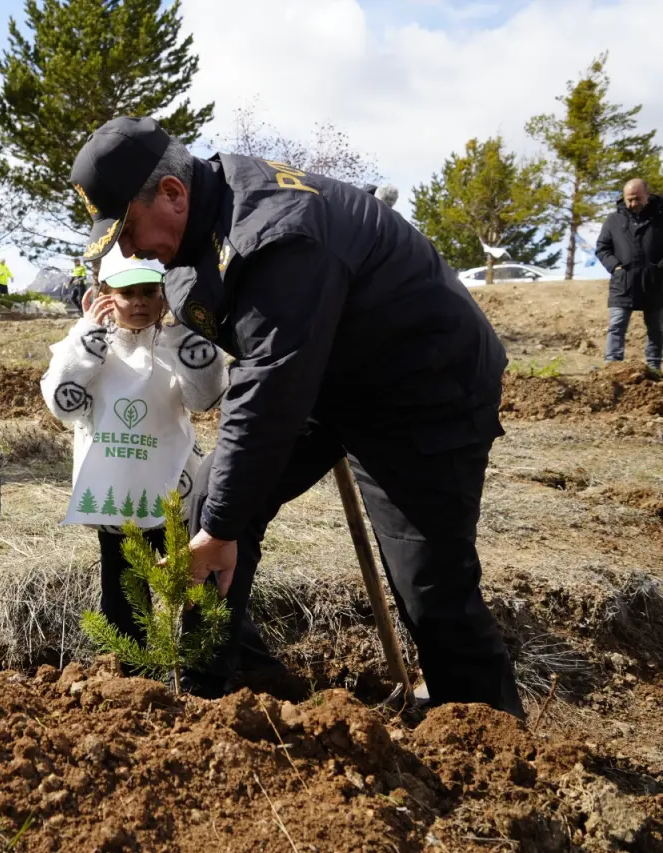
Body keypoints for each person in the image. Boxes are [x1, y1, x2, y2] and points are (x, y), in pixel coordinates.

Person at [70, 116, 523, 716]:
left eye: (126, 230)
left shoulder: (275, 236)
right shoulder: (207, 213)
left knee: (429, 584)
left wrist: (224, 525)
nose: (127, 251)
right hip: (326, 377)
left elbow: (270, 387)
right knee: (212, 506)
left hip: (423, 391)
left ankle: (486, 740)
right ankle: (216, 692)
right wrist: (223, 521)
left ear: (173, 194)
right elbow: (263, 371)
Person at [40, 247, 277, 683]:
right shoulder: (86, 343)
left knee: (199, 589)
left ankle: (207, 674)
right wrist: (89, 338)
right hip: (115, 502)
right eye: (126, 292)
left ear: (166, 294)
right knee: (123, 595)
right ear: (104, 293)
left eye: (150, 291)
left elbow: (205, 397)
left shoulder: (175, 342)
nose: (139, 302)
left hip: (175, 496)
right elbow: (62, 403)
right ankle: (131, 680)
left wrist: (183, 335)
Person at [596, 178, 663, 370]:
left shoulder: (661, 217)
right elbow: (602, 248)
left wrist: (660, 268)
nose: (633, 204)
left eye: (637, 199)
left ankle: (654, 367)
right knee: (616, 325)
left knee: (656, 329)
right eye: (629, 199)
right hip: (623, 282)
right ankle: (612, 366)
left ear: (647, 195)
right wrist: (615, 266)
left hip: (655, 282)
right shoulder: (614, 219)